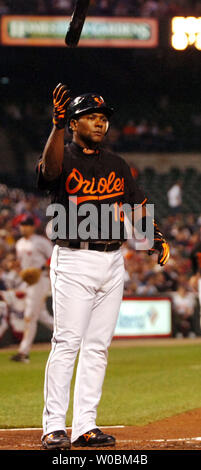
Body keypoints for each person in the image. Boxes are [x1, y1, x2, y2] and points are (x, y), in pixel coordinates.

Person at [37, 83, 170, 450]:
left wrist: (154, 237)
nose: (99, 123)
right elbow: (48, 172)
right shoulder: (62, 156)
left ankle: (85, 426)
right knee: (67, 342)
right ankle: (53, 427)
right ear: (74, 123)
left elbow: (136, 204)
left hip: (113, 260)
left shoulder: (116, 164)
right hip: (74, 257)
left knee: (97, 347)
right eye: (90, 118)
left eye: (102, 118)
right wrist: (56, 127)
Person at [11, 215, 53, 363]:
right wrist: (15, 267)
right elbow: (20, 263)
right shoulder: (20, 243)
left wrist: (41, 267)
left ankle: (23, 352)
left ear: (33, 226)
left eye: (26, 224)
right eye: (21, 224)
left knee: (30, 316)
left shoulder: (40, 242)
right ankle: (72, 336)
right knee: (41, 316)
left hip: (40, 279)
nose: (23, 227)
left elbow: (53, 257)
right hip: (27, 281)